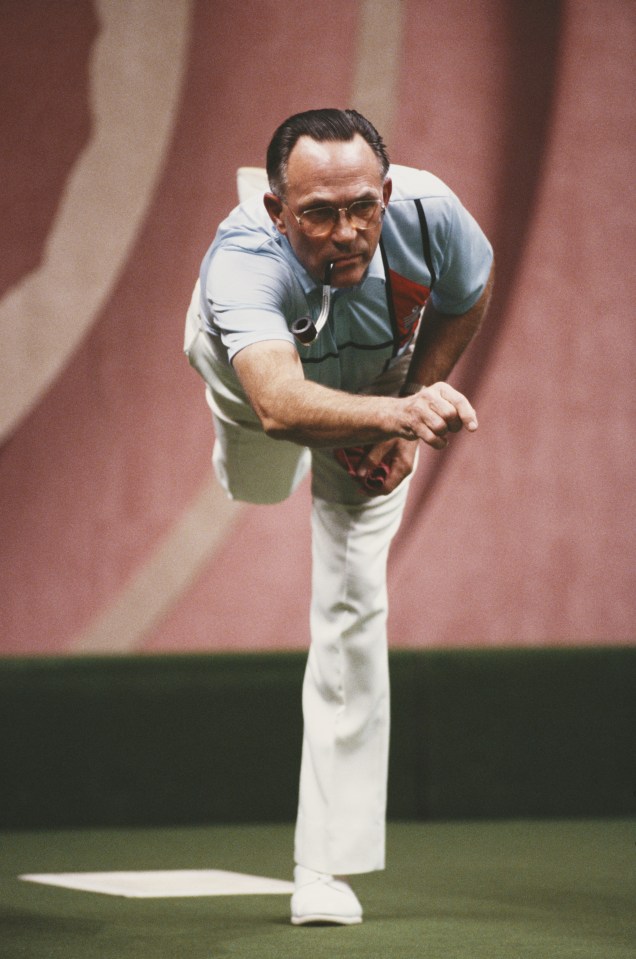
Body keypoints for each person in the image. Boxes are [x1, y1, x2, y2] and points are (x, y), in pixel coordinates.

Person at [184, 108, 493, 925]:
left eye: (363, 206)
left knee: (356, 600)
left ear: (387, 192)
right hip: (258, 391)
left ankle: (323, 868)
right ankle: (246, 457)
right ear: (278, 211)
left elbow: (468, 294)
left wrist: (407, 405)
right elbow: (282, 405)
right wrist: (398, 418)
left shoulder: (431, 215)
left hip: (375, 384)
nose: (348, 231)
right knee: (259, 481)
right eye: (318, 213)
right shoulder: (245, 260)